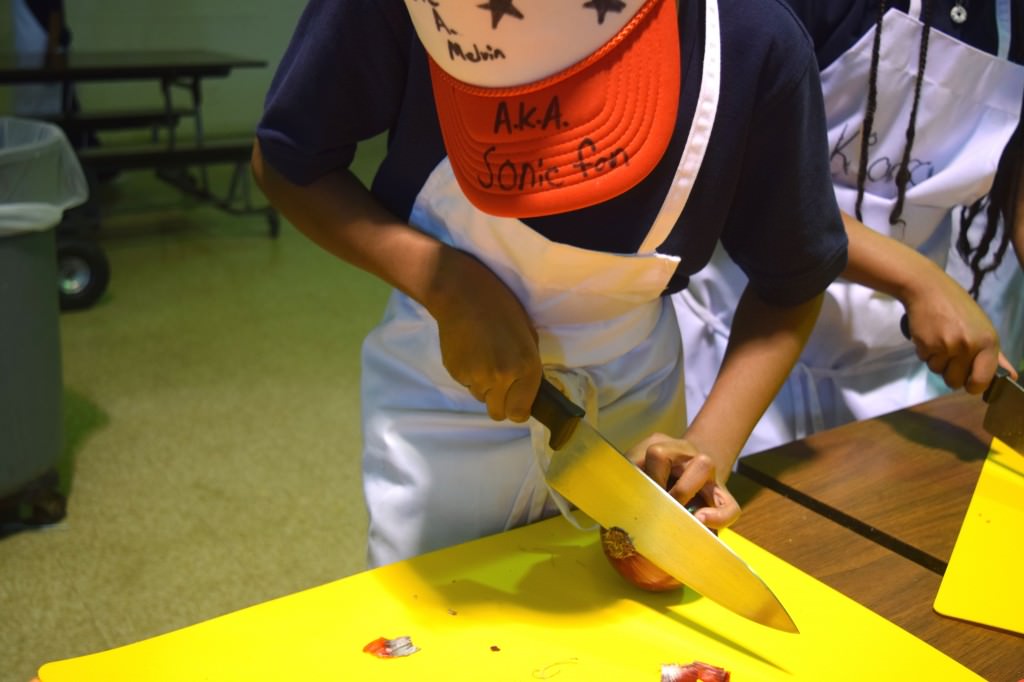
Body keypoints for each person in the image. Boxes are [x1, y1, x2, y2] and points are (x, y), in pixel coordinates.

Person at [252, 0, 849, 567]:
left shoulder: (749, 39)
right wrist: (443, 283)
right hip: (441, 406)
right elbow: (289, 160)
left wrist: (709, 445)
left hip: (635, 418)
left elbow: (791, 282)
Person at [676, 0, 1023, 455]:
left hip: (895, 374)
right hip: (737, 350)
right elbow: (758, 188)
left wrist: (925, 289)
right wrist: (920, 282)